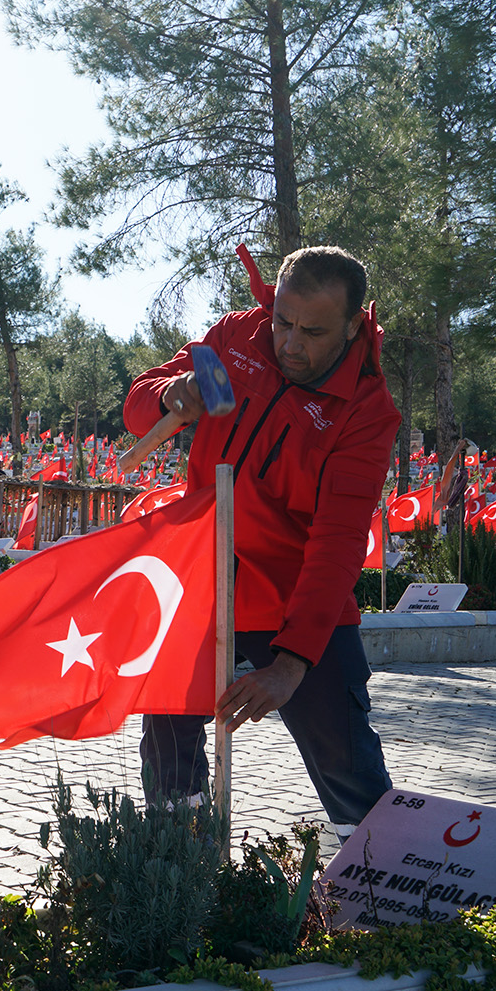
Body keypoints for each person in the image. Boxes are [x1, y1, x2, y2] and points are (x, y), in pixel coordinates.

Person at [123, 246, 400, 835]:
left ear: (353, 326)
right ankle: (179, 871)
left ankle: (386, 897)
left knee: (345, 764)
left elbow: (338, 541)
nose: (290, 344)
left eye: (313, 331)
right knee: (168, 733)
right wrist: (170, 393)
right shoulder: (236, 335)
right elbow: (138, 402)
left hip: (294, 601)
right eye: (283, 321)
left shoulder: (368, 412)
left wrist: (291, 664)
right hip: (202, 582)